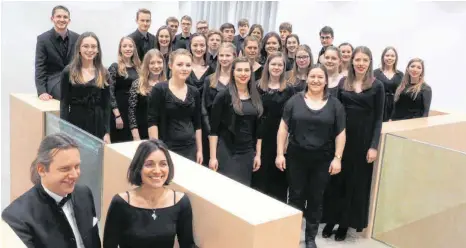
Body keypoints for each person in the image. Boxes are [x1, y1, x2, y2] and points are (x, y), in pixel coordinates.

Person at [276, 64, 346, 248]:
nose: (316, 80)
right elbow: (283, 128)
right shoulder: (294, 101)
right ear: (307, 78)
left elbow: (341, 133)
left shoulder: (335, 105)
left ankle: (310, 238)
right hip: (296, 157)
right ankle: (291, 235)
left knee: (316, 198)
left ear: (326, 81)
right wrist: (279, 154)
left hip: (322, 160)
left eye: (320, 77)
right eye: (312, 76)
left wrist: (337, 158)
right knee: (296, 197)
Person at [322, 46, 384, 241]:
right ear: (351, 61)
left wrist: (373, 145)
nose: (360, 63)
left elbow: (378, 118)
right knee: (336, 181)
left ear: (370, 62)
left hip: (363, 141)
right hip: (342, 138)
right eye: (358, 60)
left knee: (354, 183)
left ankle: (344, 223)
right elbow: (335, 113)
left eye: (365, 60)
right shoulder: (343, 82)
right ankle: (331, 218)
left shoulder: (377, 85)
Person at [2, 133, 101, 248]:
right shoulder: (16, 217)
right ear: (42, 169)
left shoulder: (84, 193)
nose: (74, 175)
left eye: (77, 166)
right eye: (65, 169)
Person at [103, 139, 195, 248]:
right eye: (149, 164)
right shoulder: (121, 202)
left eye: (163, 164)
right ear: (139, 168)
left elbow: (188, 245)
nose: (157, 170)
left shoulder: (181, 202)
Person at [209, 57, 263, 186]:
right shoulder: (223, 95)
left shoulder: (256, 97)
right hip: (227, 151)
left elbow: (259, 130)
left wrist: (258, 154)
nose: (243, 74)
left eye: (246, 70)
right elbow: (213, 131)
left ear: (251, 73)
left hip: (247, 152)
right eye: (239, 70)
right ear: (233, 72)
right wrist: (212, 157)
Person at [147, 49, 203, 164]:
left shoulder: (194, 91)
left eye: (188, 65)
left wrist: (200, 150)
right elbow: (152, 122)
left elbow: (197, 123)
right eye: (180, 64)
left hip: (190, 148)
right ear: (170, 65)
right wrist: (156, 150)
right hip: (167, 148)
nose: (184, 68)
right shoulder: (159, 89)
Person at [253, 52, 294, 202]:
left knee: (278, 180)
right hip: (260, 138)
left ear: (284, 67)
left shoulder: (289, 89)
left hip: (280, 139)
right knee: (260, 179)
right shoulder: (257, 86)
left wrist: (286, 143)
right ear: (267, 66)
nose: (276, 67)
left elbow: (291, 118)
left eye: (280, 64)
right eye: (273, 64)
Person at [60, 32, 111, 143]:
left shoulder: (104, 73)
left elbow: (106, 106)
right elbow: (64, 104)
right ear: (79, 48)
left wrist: (107, 132)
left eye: (93, 46)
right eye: (86, 46)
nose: (90, 50)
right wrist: (63, 130)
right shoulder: (68, 72)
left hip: (97, 124)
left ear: (98, 50)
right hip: (75, 124)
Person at [201, 43, 236, 165]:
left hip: (233, 134)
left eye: (228, 55)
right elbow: (203, 108)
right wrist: (210, 131)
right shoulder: (209, 80)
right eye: (221, 55)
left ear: (234, 57)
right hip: (212, 131)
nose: (224, 58)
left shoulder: (239, 80)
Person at [35, 5, 79, 100]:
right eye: (58, 16)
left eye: (65, 17)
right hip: (53, 81)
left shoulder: (77, 38)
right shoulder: (43, 39)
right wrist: (42, 91)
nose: (62, 19)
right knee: (69, 95)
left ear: (69, 20)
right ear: (52, 19)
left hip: (73, 79)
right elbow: (40, 66)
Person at [108, 37, 141, 143]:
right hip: (119, 111)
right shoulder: (115, 67)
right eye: (125, 46)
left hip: (134, 111)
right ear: (120, 49)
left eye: (130, 46)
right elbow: (110, 92)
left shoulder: (138, 68)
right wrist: (117, 115)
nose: (128, 49)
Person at [128, 49, 166, 140]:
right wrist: (136, 136)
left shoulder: (167, 84)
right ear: (146, 65)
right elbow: (131, 112)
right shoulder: (137, 84)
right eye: (152, 63)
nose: (156, 66)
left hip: (163, 133)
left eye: (159, 62)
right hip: (142, 132)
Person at [374, 46, 404, 121]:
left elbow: (402, 93)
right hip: (379, 105)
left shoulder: (400, 75)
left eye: (392, 56)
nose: (389, 58)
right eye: (387, 55)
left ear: (396, 58)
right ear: (383, 57)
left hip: (395, 106)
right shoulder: (375, 73)